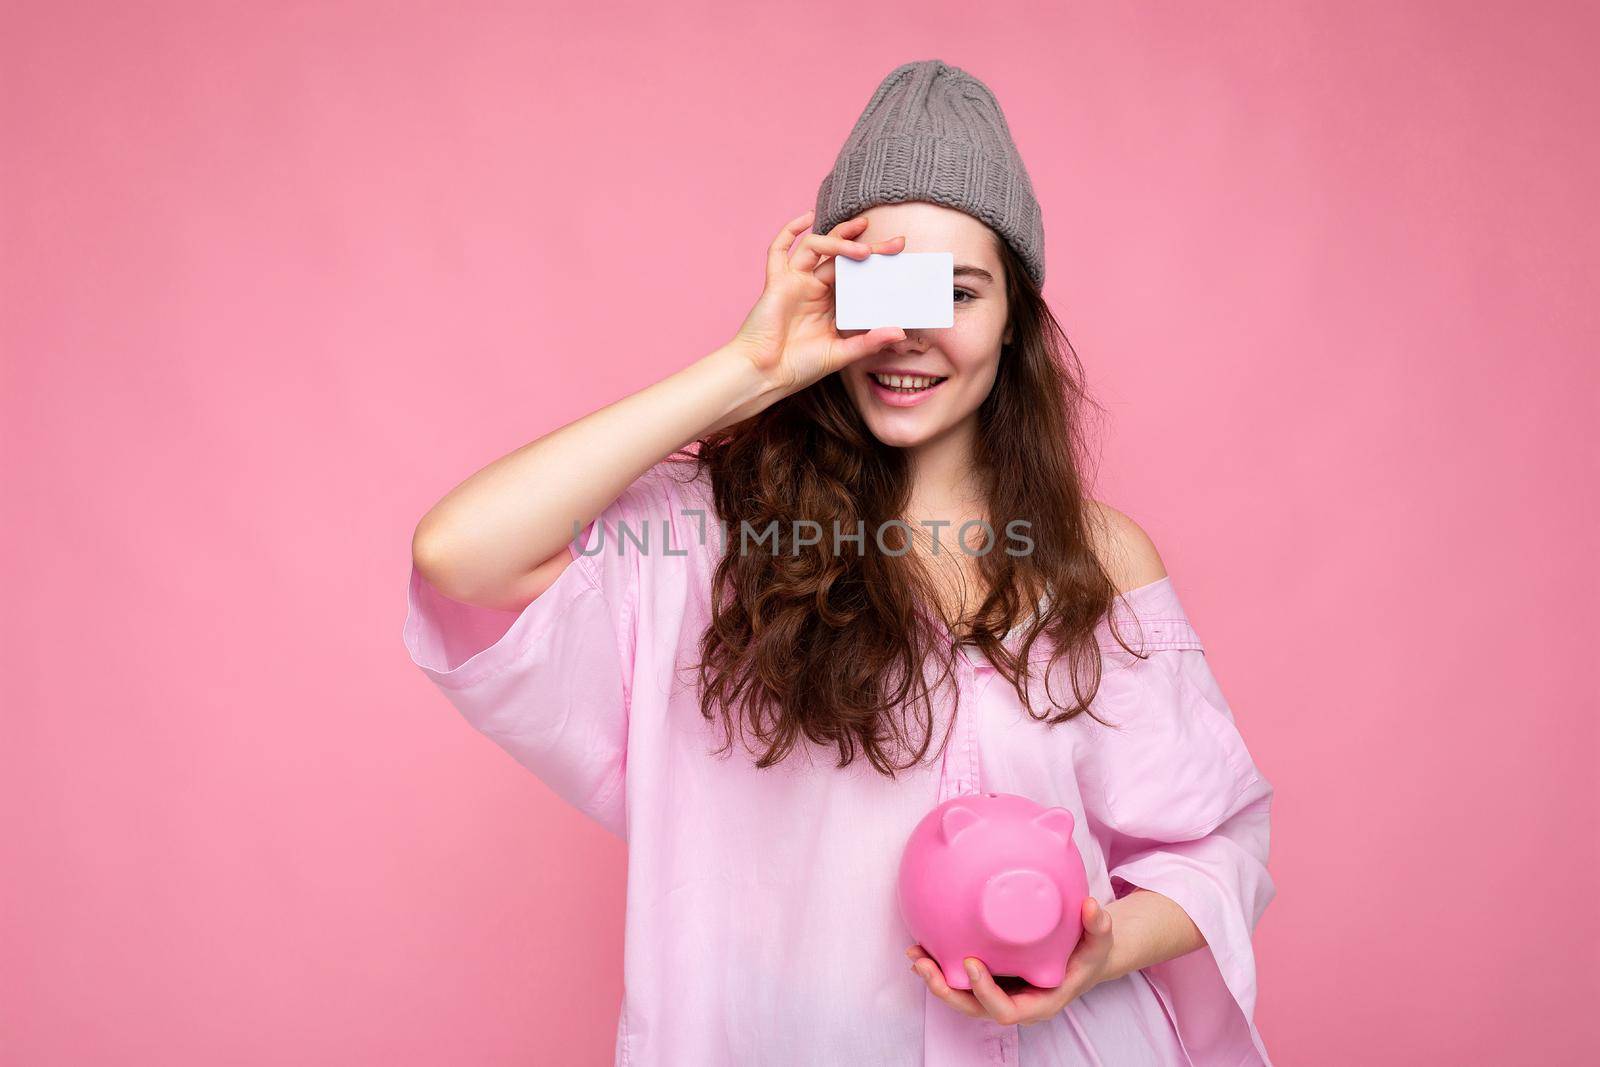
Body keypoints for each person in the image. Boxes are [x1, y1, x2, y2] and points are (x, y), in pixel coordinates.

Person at [404, 59, 1274, 1066]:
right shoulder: (706, 537)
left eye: (959, 289)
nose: (910, 332)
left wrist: (1101, 942)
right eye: (883, 285)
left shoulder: (1095, 556)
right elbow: (459, 553)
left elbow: (1213, 843)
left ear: (1015, 316)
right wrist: (750, 367)